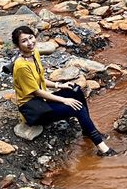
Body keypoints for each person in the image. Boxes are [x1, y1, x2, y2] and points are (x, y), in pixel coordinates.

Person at [8, 25, 118, 156]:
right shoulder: (21, 66)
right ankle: (103, 149)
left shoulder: (34, 54)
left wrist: (59, 86)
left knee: (75, 90)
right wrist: (64, 100)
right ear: (17, 45)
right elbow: (36, 91)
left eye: (31, 38)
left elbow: (40, 79)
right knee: (77, 107)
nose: (30, 42)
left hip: (42, 100)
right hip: (33, 109)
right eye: (24, 41)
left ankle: (87, 131)